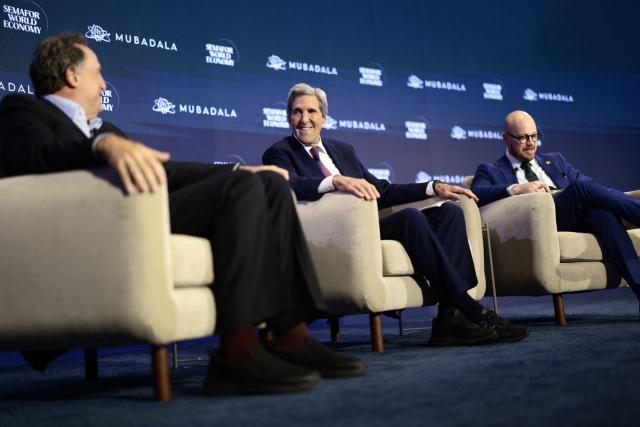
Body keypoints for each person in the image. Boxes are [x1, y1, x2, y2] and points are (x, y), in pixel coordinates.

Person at [0, 34, 367, 395]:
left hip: (141, 214)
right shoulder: (23, 110)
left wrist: (239, 171)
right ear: (71, 75)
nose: (103, 83)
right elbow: (36, 158)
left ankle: (292, 336)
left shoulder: (106, 128)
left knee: (269, 187)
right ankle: (236, 355)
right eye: (97, 73)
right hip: (91, 225)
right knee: (241, 192)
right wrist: (101, 145)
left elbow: (164, 171)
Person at [262, 83, 528, 346]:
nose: (304, 119)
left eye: (311, 111)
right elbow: (289, 185)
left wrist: (432, 187)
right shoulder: (279, 152)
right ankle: (470, 307)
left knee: (449, 213)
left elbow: (383, 191)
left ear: (323, 117)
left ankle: (449, 319)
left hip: (370, 226)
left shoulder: (342, 150)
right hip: (336, 235)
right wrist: (335, 182)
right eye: (297, 112)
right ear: (288, 117)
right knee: (411, 218)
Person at [472, 109, 640, 308]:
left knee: (602, 215)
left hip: (575, 214)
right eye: (523, 138)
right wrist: (517, 188)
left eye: (534, 136)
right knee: (579, 188)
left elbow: (588, 184)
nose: (531, 143)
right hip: (542, 224)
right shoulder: (490, 170)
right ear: (506, 138)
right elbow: (478, 194)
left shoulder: (555, 160)